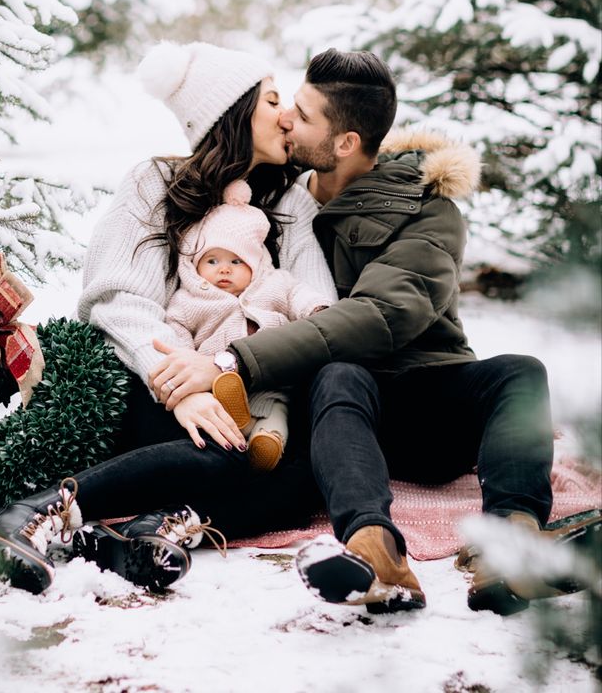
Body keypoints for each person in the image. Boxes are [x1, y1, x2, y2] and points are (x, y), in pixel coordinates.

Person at [151, 47, 597, 616]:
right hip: (342, 412)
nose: (286, 117)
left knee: (520, 372)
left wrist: (234, 361)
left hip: (427, 405)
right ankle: (376, 554)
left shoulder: (427, 210)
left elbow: (385, 314)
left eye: (304, 114)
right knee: (339, 376)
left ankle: (511, 545)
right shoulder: (279, 199)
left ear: (345, 143)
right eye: (289, 102)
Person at [0, 40, 337, 595]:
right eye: (273, 99)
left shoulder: (291, 201)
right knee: (226, 454)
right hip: (146, 385)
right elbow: (117, 299)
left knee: (303, 477)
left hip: (245, 392)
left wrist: (235, 371)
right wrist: (182, 384)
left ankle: (138, 535)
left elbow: (318, 306)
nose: (288, 114)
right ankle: (23, 515)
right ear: (231, 112)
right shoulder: (155, 182)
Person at [165, 178, 334, 470]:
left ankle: (266, 445)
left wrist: (316, 308)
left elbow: (298, 295)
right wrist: (184, 363)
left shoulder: (274, 284)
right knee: (219, 413)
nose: (224, 269)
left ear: (255, 263)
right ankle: (238, 422)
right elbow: (176, 331)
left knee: (276, 412)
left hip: (272, 380)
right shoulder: (190, 301)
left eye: (236, 261)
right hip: (215, 386)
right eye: (212, 261)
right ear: (195, 265)